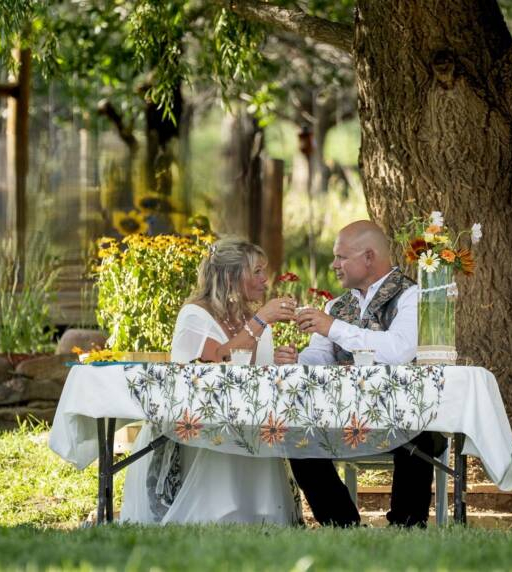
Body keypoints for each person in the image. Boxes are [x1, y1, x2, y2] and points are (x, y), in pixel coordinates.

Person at [121, 237, 301, 525]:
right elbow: (213, 364)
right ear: (231, 276)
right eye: (256, 271)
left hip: (250, 423)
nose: (265, 279)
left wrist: (278, 360)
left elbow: (251, 375)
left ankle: (259, 516)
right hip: (203, 425)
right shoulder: (195, 315)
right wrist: (260, 320)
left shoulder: (251, 317)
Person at [274, 220, 443, 528]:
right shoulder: (337, 305)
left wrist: (332, 327)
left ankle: (406, 526)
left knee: (417, 430)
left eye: (341, 257)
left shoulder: (412, 297)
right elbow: (321, 356)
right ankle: (342, 525)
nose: (334, 265)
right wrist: (297, 360)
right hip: (342, 415)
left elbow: (398, 351)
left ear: (368, 257)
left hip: (401, 414)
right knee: (297, 432)